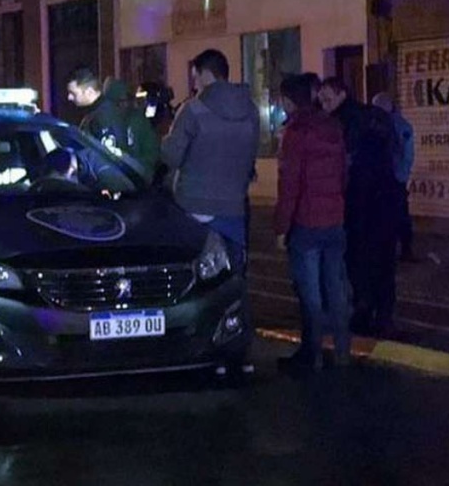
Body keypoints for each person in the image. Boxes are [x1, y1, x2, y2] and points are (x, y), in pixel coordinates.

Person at [274, 75, 350, 372]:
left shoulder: (296, 132)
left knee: (311, 294)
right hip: (334, 218)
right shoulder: (333, 126)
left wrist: (281, 228)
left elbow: (290, 185)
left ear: (288, 101)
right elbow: (343, 173)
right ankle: (343, 352)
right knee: (336, 288)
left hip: (307, 221)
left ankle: (313, 355)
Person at [319, 77, 400, 337]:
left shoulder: (338, 124)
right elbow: (395, 153)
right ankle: (384, 315)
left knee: (359, 261)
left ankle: (364, 311)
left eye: (327, 97)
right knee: (384, 262)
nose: (323, 102)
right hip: (386, 200)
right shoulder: (376, 117)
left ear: (342, 94)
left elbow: (342, 166)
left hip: (358, 204)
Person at [161, 49, 259, 262]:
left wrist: (166, 139)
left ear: (206, 74)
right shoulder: (251, 110)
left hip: (194, 207)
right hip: (234, 206)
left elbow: (171, 157)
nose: (194, 84)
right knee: (233, 273)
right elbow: (252, 154)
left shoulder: (192, 110)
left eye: (195, 76)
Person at [66, 67, 158, 182]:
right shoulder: (97, 114)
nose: (69, 98)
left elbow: (109, 159)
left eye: (73, 93)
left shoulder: (104, 117)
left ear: (89, 92)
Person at [372, 92, 416, 262]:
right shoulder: (395, 124)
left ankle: (402, 248)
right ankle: (401, 248)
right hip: (391, 178)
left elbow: (406, 153)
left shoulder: (395, 125)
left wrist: (401, 174)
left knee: (397, 214)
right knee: (396, 214)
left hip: (392, 177)